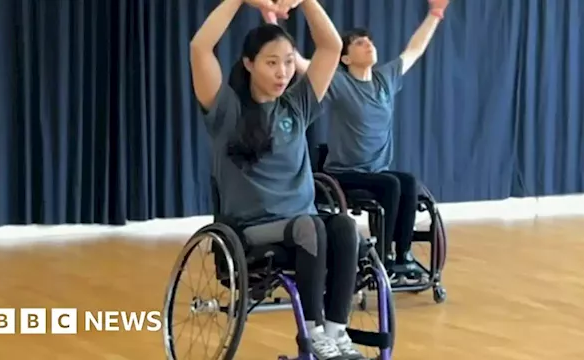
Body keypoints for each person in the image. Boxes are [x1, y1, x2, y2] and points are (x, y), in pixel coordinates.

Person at [190, 0, 366, 359]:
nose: (283, 71)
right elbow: (200, 47)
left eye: (289, 62)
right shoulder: (226, 109)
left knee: (345, 227)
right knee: (310, 227)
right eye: (272, 62)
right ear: (249, 64)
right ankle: (312, 334)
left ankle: (336, 331)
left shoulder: (297, 105)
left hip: (303, 228)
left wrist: (307, 1)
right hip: (253, 230)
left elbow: (331, 47)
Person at [262, 0, 450, 284]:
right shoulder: (338, 82)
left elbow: (415, 49)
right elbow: (298, 63)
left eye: (369, 42)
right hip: (343, 174)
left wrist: (435, 14)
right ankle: (383, 258)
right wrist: (270, 18)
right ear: (346, 58)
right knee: (392, 184)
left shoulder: (385, 78)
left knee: (407, 181)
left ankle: (402, 256)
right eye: (360, 43)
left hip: (376, 172)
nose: (369, 45)